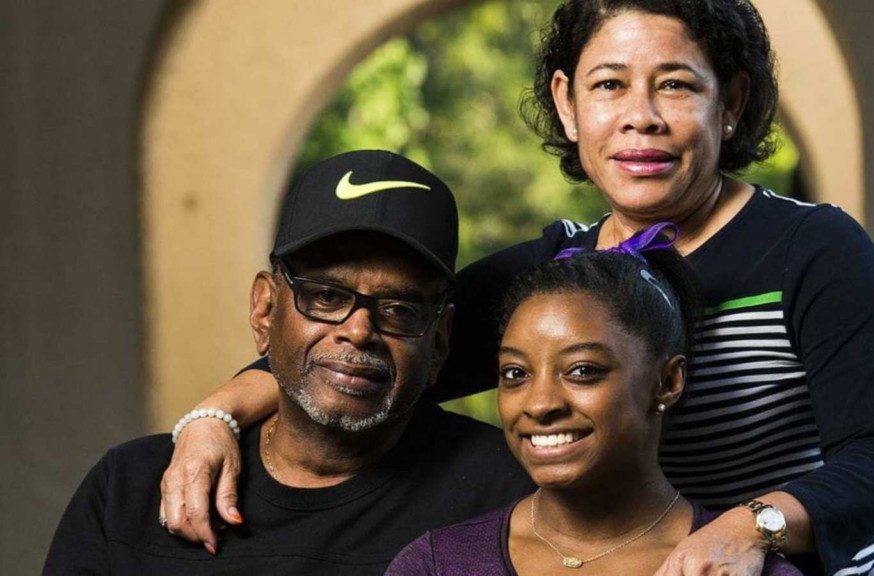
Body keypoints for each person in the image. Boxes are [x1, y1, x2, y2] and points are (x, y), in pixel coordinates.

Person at [161, 1, 874, 575]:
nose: (640, 119)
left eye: (678, 85)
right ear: (567, 102)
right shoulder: (558, 278)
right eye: (609, 85)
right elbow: (385, 353)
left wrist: (744, 530)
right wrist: (213, 415)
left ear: (732, 103)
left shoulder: (813, 249)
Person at [43, 151, 532, 575]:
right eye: (324, 296)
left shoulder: (510, 493)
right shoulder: (130, 491)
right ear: (264, 310)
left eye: (400, 310)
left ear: (441, 342)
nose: (359, 330)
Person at [387, 228, 801, 575]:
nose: (539, 404)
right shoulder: (435, 564)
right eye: (516, 374)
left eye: (582, 370)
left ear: (668, 381)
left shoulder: (740, 569)